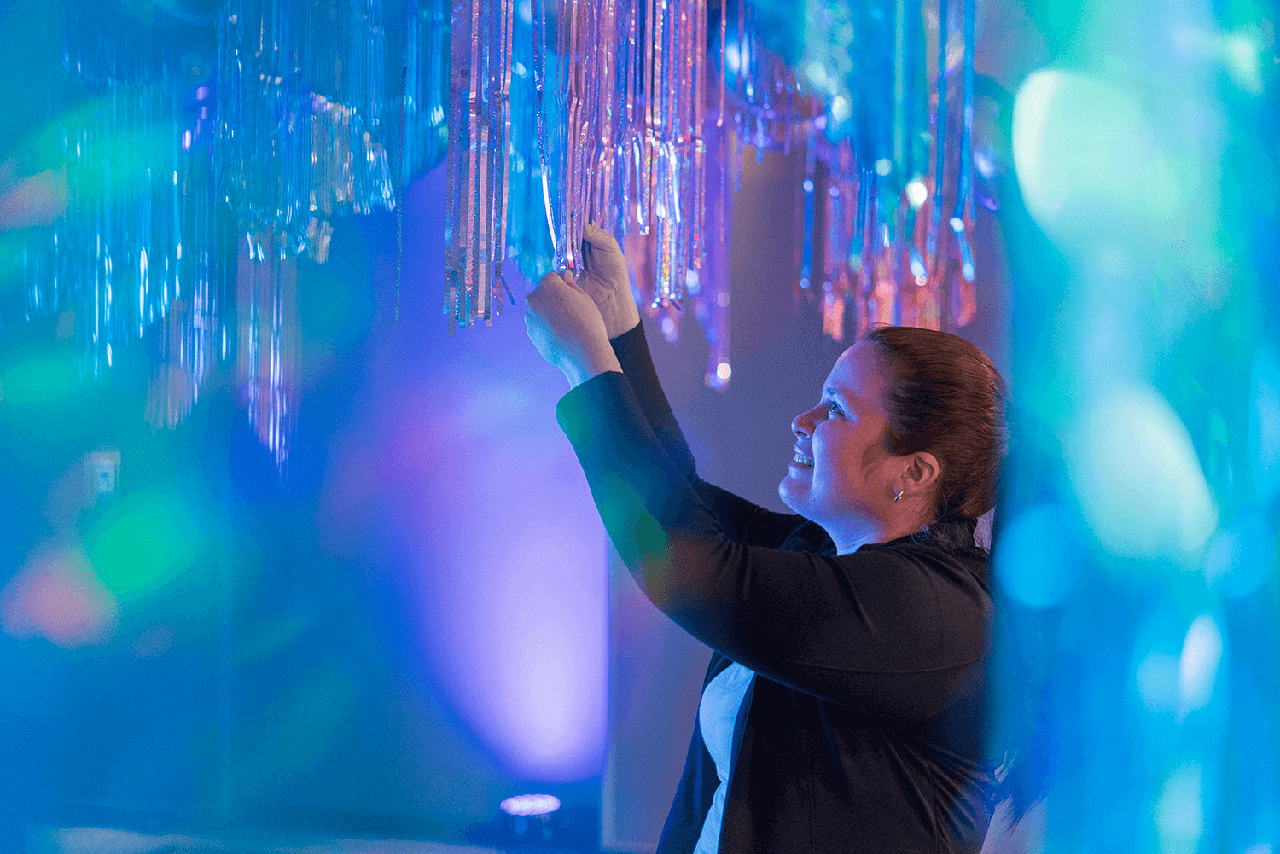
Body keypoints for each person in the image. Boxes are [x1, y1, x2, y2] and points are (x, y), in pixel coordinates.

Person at [526, 224, 1005, 853]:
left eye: (836, 409)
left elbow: (694, 571)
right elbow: (683, 503)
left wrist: (586, 368)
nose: (802, 421)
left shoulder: (935, 609)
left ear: (914, 472)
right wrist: (619, 331)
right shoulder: (823, 555)